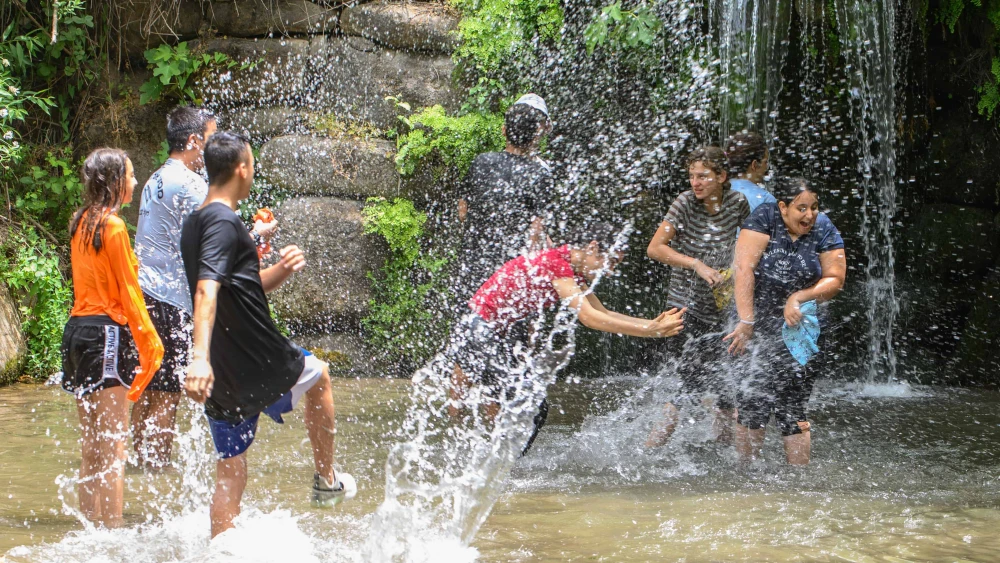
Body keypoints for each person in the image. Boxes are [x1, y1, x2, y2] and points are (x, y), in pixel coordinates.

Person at [180, 132, 353, 538]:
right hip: (254, 357)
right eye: (252, 164)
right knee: (321, 376)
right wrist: (198, 356)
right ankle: (326, 481)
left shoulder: (197, 222)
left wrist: (281, 269)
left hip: (223, 373)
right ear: (241, 168)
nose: (253, 171)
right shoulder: (223, 222)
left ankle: (221, 547)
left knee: (231, 466)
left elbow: (237, 286)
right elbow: (206, 288)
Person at [448, 223, 686, 453]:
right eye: (610, 261)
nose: (610, 270)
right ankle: (488, 462)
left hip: (495, 330)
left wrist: (652, 324)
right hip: (480, 329)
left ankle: (492, 462)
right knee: (523, 405)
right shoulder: (557, 264)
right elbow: (589, 318)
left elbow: (604, 313)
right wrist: (650, 331)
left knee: (528, 406)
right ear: (592, 248)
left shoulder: (571, 270)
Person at [60, 148, 164, 527]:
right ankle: (115, 534)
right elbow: (129, 291)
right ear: (115, 181)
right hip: (106, 332)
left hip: (76, 333)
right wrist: (150, 342)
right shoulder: (115, 227)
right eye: (132, 175)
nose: (135, 182)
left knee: (92, 443)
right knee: (115, 445)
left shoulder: (79, 220)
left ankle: (92, 530)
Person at [723, 178, 846, 465]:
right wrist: (746, 321)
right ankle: (747, 473)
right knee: (752, 401)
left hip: (802, 326)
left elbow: (835, 279)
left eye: (814, 207)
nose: (809, 215)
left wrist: (800, 297)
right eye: (801, 208)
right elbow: (744, 269)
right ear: (783, 206)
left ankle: (797, 483)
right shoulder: (765, 217)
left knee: (793, 406)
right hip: (754, 322)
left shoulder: (824, 226)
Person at [645, 146, 750, 447]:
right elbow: (655, 248)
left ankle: (724, 453)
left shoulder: (737, 203)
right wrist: (695, 263)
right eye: (692, 176)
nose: (695, 182)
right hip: (684, 307)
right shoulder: (684, 203)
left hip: (723, 308)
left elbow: (748, 244)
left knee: (726, 385)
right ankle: (650, 452)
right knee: (684, 383)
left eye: (703, 176)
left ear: (722, 176)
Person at [131, 106, 216, 469]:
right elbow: (220, 227)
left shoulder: (157, 177)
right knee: (167, 395)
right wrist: (257, 235)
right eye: (210, 140)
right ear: (194, 141)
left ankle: (140, 466)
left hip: (143, 295)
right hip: (168, 300)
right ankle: (159, 473)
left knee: (147, 389)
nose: (213, 151)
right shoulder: (191, 183)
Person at [457, 93, 555, 300]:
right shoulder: (540, 174)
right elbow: (535, 234)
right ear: (537, 135)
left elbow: (463, 212)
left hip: (473, 262)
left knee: (469, 320)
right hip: (510, 273)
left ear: (504, 131)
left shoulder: (481, 162)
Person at [725, 131, 776, 212]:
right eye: (765, 162)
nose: (767, 167)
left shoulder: (719, 190)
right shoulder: (765, 200)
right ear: (754, 165)